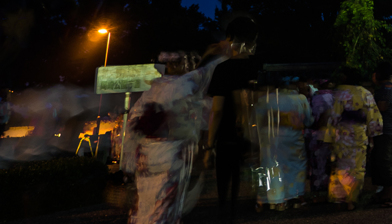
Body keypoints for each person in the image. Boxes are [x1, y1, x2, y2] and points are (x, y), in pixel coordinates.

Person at [123, 48, 228, 224]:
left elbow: (134, 122)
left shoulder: (153, 89)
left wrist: (129, 158)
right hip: (171, 151)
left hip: (146, 153)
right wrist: (219, 51)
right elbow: (210, 69)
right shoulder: (186, 84)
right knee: (165, 202)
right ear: (180, 64)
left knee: (145, 201)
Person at [206, 16, 260, 222]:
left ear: (231, 38)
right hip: (257, 133)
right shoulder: (259, 65)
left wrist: (209, 144)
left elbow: (217, 110)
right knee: (248, 180)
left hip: (228, 134)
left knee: (225, 180)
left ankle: (226, 212)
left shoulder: (223, 69)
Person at [326, 70, 382, 210]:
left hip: (342, 134)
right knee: (357, 167)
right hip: (359, 133)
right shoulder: (365, 93)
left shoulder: (339, 93)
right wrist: (372, 136)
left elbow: (333, 116)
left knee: (341, 165)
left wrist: (329, 136)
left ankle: (340, 198)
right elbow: (373, 116)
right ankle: (351, 199)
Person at [254, 82, 311, 211]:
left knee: (272, 166)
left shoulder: (266, 100)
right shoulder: (300, 99)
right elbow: (308, 120)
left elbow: (257, 121)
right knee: (296, 166)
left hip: (271, 138)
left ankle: (275, 199)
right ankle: (295, 196)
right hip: (294, 137)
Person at [365, 62, 392, 208]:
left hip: (385, 130)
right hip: (383, 129)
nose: (373, 76)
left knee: (385, 161)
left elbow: (382, 106)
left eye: (375, 73)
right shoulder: (388, 87)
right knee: (380, 161)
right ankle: (386, 193)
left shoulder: (388, 87)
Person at [306, 83, 335, 202]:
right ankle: (331, 192)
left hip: (317, 135)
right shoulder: (335, 96)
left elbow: (312, 118)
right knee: (330, 164)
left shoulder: (316, 98)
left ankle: (317, 195)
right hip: (332, 135)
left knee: (317, 166)